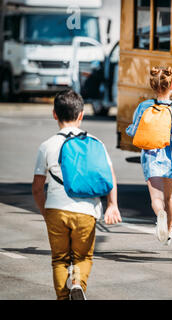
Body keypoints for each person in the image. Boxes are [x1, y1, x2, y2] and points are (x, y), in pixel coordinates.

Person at [31, 89, 122, 300]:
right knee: (82, 257)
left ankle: (63, 297)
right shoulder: (95, 143)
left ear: (54, 114)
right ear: (81, 115)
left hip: (56, 209)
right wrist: (112, 204)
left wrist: (46, 212)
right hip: (86, 211)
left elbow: (37, 187)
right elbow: (109, 177)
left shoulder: (46, 146)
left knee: (60, 259)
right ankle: (77, 283)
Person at [126, 66, 172, 245]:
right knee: (170, 198)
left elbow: (134, 130)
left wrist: (130, 130)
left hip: (151, 156)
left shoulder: (144, 106)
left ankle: (160, 215)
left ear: (153, 85)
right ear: (171, 84)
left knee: (156, 199)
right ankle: (169, 232)